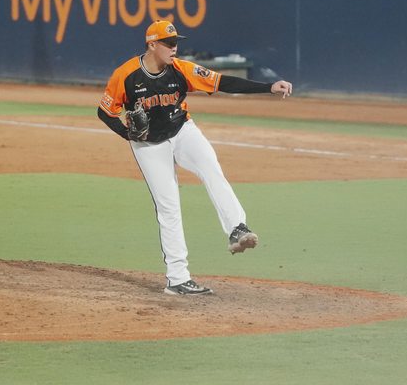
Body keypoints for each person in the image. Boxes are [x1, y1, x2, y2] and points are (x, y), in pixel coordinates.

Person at [97, 20, 293, 295]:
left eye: (176, 42)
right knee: (168, 207)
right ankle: (177, 279)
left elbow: (222, 82)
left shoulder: (181, 69)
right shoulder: (126, 75)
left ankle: (237, 228)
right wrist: (127, 134)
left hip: (182, 130)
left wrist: (268, 87)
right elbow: (105, 112)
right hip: (149, 145)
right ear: (152, 45)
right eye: (168, 43)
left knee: (211, 167)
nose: (174, 48)